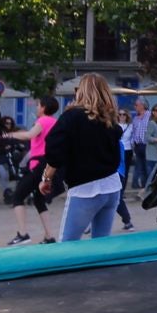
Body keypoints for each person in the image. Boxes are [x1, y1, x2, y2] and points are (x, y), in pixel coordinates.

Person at [41, 75, 124, 241]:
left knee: (68, 245)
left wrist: (46, 178)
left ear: (81, 92)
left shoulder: (72, 116)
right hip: (112, 186)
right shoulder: (109, 119)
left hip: (85, 189)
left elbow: (54, 150)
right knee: (101, 243)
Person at [6, 97, 60, 245]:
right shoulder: (54, 122)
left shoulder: (43, 121)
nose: (36, 108)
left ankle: (23, 234)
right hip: (46, 163)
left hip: (39, 164)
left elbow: (29, 135)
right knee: (38, 200)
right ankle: (49, 236)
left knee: (17, 196)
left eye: (38, 105)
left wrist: (9, 135)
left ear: (43, 107)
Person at [127, 103, 152, 190]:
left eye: (136, 105)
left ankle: (147, 185)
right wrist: (133, 142)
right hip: (137, 145)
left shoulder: (149, 115)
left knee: (147, 166)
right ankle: (137, 184)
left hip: (147, 144)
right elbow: (134, 132)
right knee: (139, 165)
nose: (135, 107)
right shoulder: (136, 118)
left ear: (142, 105)